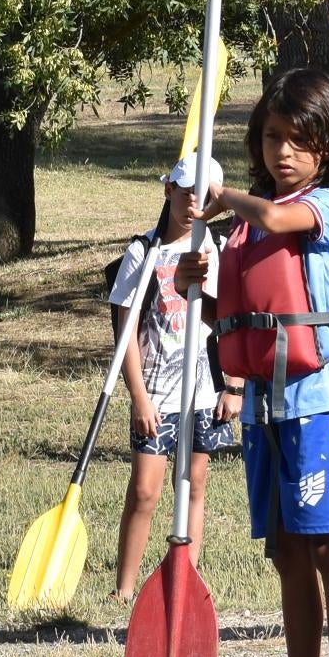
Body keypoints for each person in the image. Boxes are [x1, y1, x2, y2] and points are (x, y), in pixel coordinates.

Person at [210, 69, 329, 657]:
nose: (283, 153)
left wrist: (216, 195)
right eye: (274, 138)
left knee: (328, 547)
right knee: (285, 553)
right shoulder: (245, 229)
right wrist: (199, 279)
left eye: (300, 141)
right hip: (265, 409)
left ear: (327, 146)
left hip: (322, 407)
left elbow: (279, 219)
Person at [104, 157, 239, 602]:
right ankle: (124, 589)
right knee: (145, 490)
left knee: (194, 485)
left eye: (205, 195)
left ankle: (186, 581)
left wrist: (232, 385)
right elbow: (126, 335)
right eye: (185, 193)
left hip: (203, 392)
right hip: (156, 392)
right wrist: (139, 397)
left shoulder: (216, 251)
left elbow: (228, 323)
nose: (193, 203)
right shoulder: (143, 253)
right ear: (168, 190)